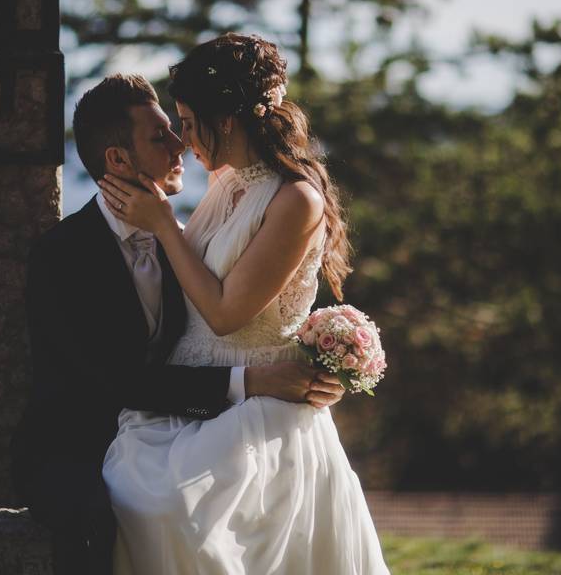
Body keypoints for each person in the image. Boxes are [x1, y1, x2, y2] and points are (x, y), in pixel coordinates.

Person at [10, 73, 347, 575]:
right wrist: (252, 381)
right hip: (80, 440)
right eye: (160, 136)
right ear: (118, 160)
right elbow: (115, 381)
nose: (180, 145)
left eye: (178, 128)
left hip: (174, 424)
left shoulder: (186, 239)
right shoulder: (62, 257)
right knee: (122, 512)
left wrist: (319, 353)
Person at [98, 34, 390, 574]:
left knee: (178, 517)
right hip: (188, 397)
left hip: (255, 410)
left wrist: (162, 223)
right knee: (136, 498)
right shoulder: (225, 180)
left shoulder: (295, 199)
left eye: (187, 121)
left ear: (226, 120)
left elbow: (227, 312)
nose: (182, 140)